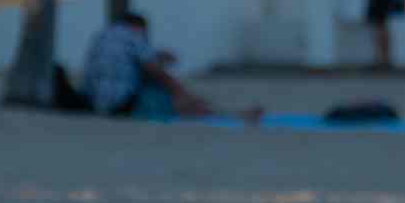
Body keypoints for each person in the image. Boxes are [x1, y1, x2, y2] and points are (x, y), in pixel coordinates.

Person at [53, 12, 257, 121]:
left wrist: (157, 58)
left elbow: (128, 64)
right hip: (119, 103)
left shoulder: (105, 35)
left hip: (94, 99)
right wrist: (182, 93)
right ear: (138, 27)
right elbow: (156, 72)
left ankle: (225, 111)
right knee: (173, 99)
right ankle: (230, 115)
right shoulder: (133, 35)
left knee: (166, 93)